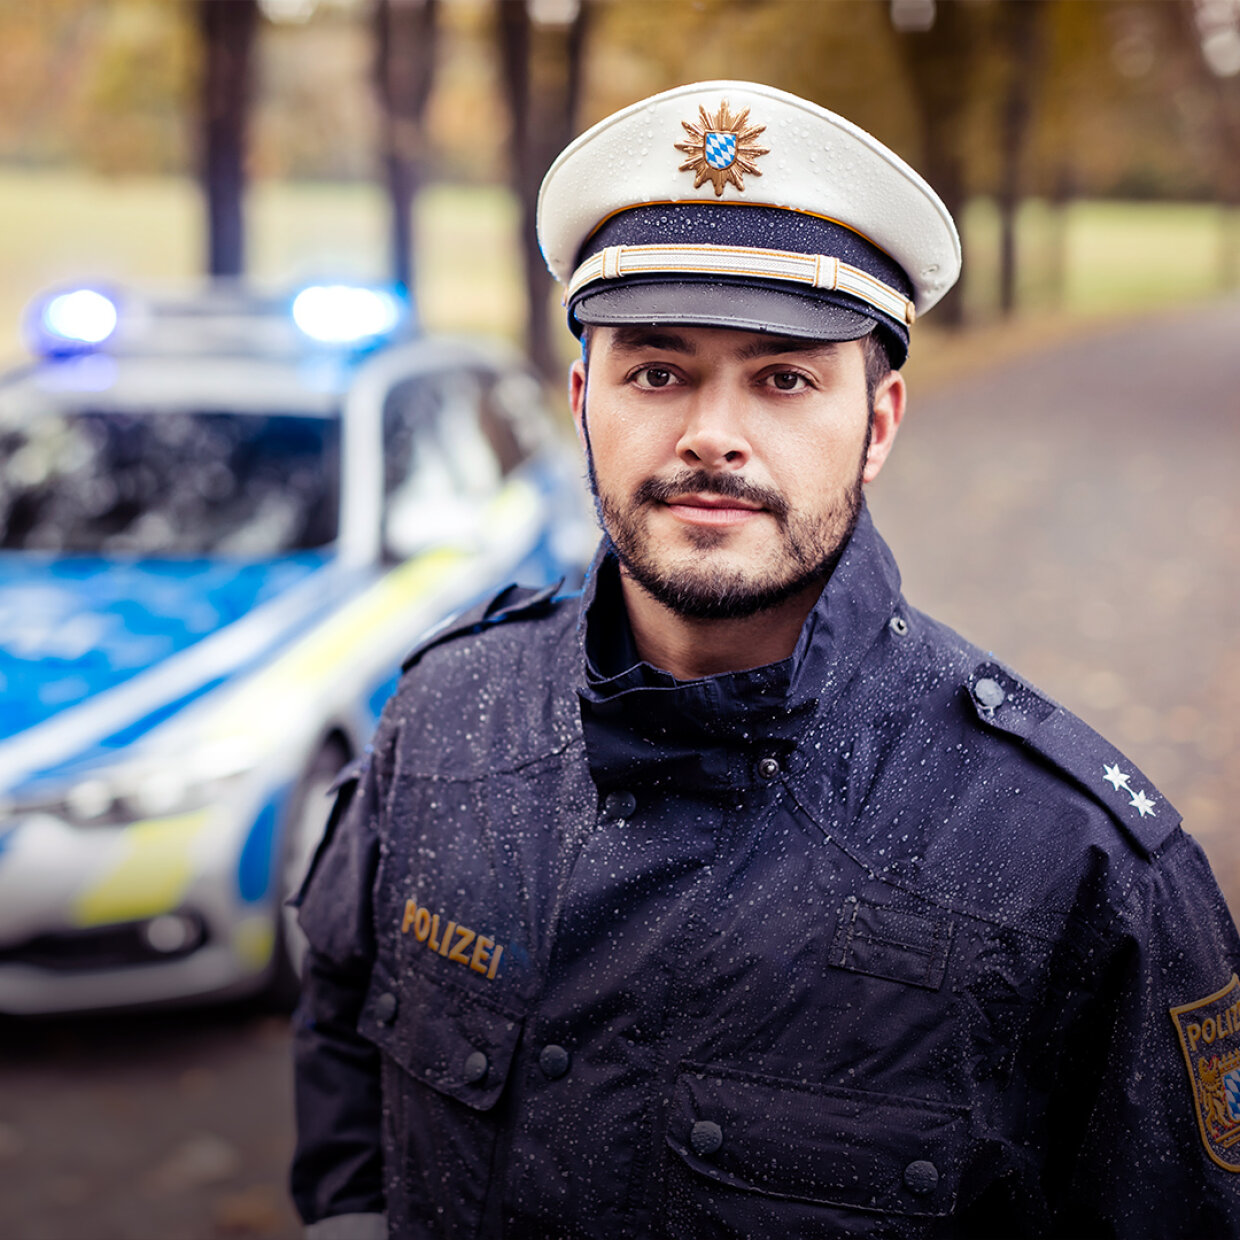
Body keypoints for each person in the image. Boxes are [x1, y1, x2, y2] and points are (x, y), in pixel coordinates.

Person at [290, 81, 1240, 1239]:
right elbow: (342, 1026)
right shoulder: (446, 718)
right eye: (657, 370)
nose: (710, 433)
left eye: (784, 377)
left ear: (878, 422)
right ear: (583, 399)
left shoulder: (1074, 866)